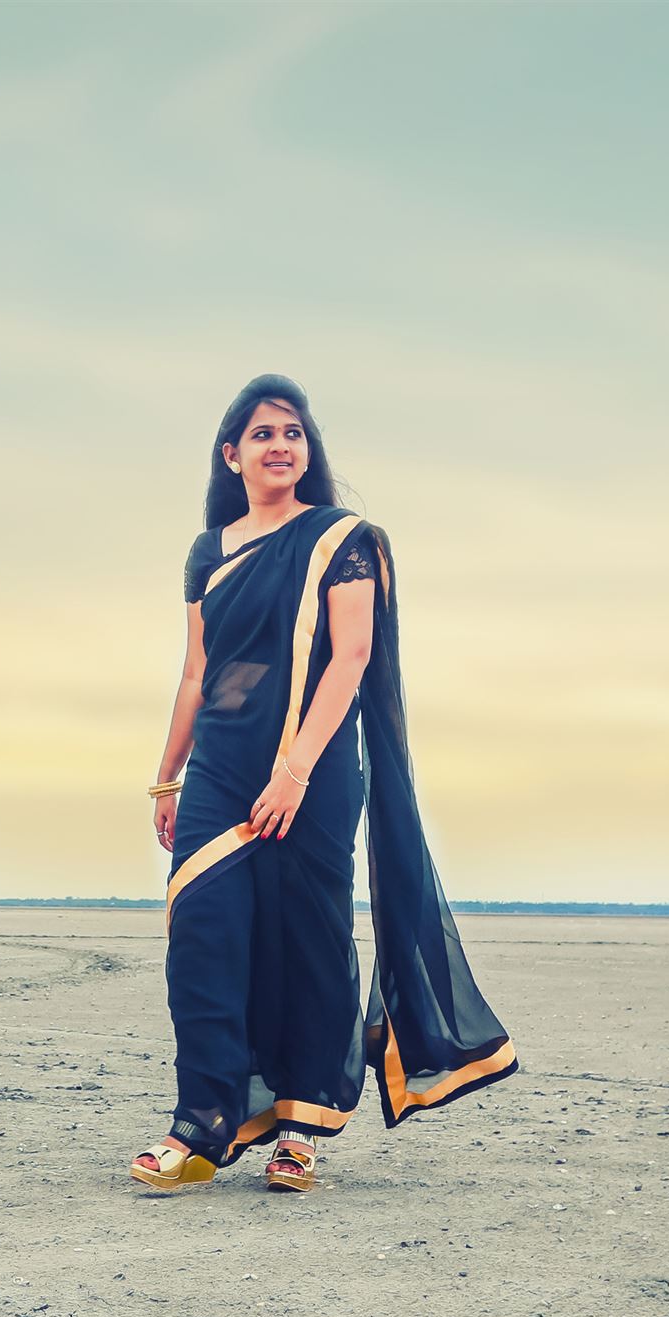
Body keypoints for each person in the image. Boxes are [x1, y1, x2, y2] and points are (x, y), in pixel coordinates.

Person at [133, 375, 517, 1193]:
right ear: (231, 453)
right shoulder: (210, 551)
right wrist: (167, 779)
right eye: (264, 434)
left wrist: (295, 771)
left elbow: (350, 657)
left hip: (312, 770)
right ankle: (200, 1126)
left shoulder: (342, 538)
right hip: (222, 766)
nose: (282, 446)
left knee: (308, 939)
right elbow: (199, 672)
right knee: (201, 936)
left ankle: (301, 1131)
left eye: (294, 434)